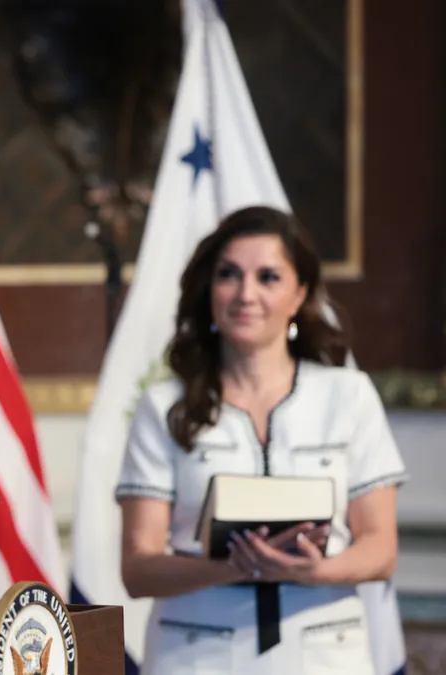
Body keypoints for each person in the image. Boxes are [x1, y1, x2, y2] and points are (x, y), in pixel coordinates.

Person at [115, 206, 407, 674]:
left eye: (268, 277)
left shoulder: (347, 394)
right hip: (195, 656)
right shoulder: (163, 405)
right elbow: (138, 567)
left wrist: (313, 571)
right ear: (209, 289)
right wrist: (230, 568)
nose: (246, 294)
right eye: (229, 275)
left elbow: (381, 549)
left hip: (326, 656)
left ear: (300, 294)